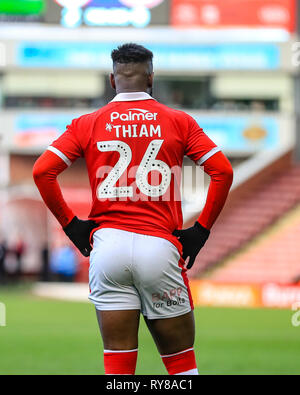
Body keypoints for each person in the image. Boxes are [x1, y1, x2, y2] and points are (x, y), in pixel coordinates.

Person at [33, 43, 233, 375]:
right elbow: (223, 171)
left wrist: (71, 225)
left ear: (112, 80)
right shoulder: (179, 121)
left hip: (107, 247)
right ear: (151, 78)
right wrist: (201, 231)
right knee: (180, 363)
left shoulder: (87, 123)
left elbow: (42, 171)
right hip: (159, 246)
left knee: (119, 368)